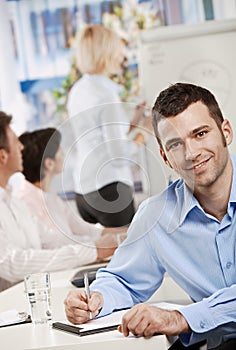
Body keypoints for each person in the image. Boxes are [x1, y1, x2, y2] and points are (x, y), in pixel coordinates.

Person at [64, 83, 236, 350]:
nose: (191, 153)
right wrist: (96, 299)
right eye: (176, 144)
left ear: (226, 131)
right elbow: (123, 280)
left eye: (200, 134)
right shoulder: (156, 216)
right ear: (164, 157)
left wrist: (181, 318)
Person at [0, 112, 119, 292]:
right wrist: (93, 250)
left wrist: (104, 245)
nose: (21, 147)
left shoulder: (13, 202)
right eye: (16, 142)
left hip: (34, 293)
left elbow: (52, 240)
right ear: (3, 156)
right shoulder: (21, 198)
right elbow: (11, 263)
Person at [67, 24, 151, 227]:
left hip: (84, 192)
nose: (121, 57)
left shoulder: (78, 90)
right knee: (130, 256)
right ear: (107, 54)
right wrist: (144, 133)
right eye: (118, 50)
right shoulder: (107, 95)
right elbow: (118, 154)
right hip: (110, 190)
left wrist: (133, 122)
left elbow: (96, 136)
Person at [16, 127, 126, 249]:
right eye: (60, 150)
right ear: (49, 164)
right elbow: (56, 244)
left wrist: (131, 233)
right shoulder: (25, 202)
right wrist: (107, 242)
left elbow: (87, 230)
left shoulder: (51, 198)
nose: (64, 154)